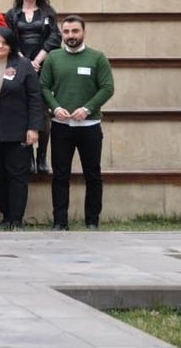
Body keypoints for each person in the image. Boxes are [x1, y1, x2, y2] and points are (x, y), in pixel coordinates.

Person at [41, 16, 115, 231]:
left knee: (92, 174)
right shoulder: (53, 57)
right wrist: (55, 107)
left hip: (90, 127)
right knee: (60, 175)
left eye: (75, 31)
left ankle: (92, 221)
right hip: (61, 126)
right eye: (66, 32)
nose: (71, 35)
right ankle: (59, 222)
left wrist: (87, 109)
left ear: (84, 32)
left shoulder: (97, 58)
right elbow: (43, 87)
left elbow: (107, 88)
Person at [0, 26, 42, 230]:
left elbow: (35, 98)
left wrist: (33, 128)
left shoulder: (23, 65)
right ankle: (5, 217)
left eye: (4, 43)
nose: (0, 46)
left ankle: (17, 219)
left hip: (18, 131)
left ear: (11, 45)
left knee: (17, 176)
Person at [7, 0, 62, 175]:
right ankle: (28, 156)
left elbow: (55, 37)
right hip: (20, 66)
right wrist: (24, 62)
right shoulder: (12, 14)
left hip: (43, 67)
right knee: (24, 110)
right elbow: (9, 39)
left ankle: (42, 157)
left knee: (43, 113)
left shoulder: (48, 12)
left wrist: (37, 61)